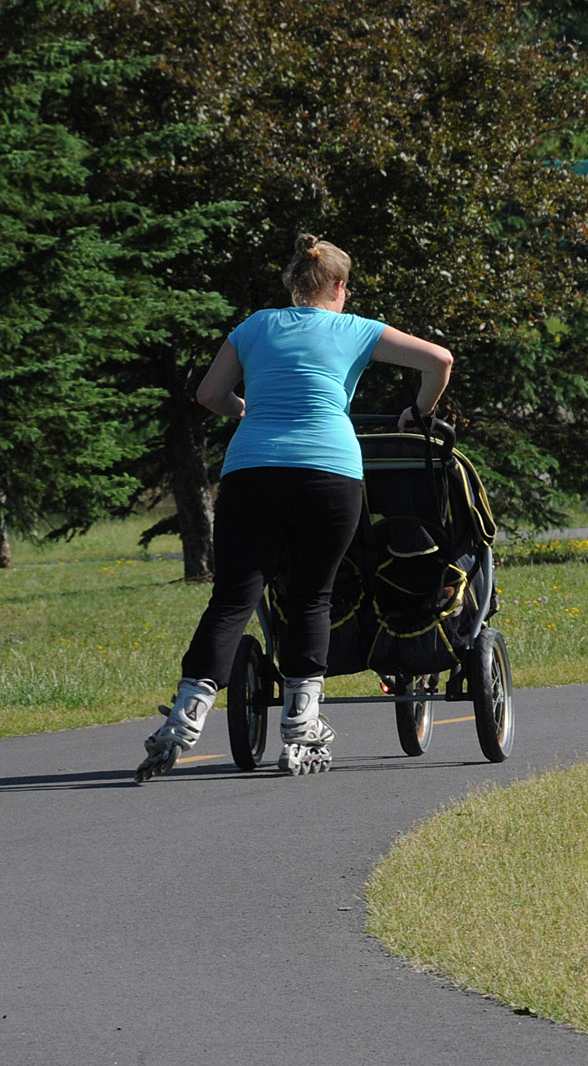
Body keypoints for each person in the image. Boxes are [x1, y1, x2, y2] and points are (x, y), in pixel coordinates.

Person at [135, 234, 453, 781]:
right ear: (339, 286)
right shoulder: (356, 329)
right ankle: (302, 723)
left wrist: (248, 411)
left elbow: (209, 395)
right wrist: (416, 412)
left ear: (291, 284)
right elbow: (439, 359)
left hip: (250, 472)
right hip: (328, 474)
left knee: (233, 598)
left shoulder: (255, 325)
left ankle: (186, 716)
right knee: (311, 597)